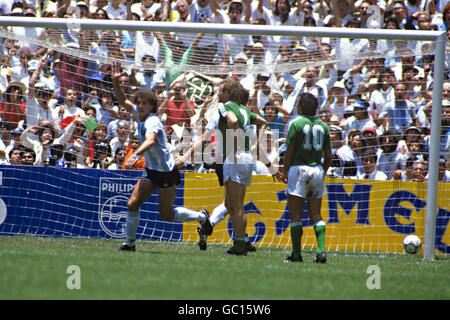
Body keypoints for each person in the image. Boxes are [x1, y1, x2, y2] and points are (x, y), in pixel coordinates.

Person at [112, 61, 213, 252]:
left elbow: (150, 141)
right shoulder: (139, 114)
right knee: (132, 203)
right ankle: (129, 244)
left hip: (167, 172)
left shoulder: (153, 121)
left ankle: (201, 217)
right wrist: (116, 83)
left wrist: (135, 154)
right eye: (138, 103)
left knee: (166, 215)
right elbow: (123, 101)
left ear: (152, 107)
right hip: (152, 171)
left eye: (144, 103)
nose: (139, 106)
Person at [281, 92, 332, 263]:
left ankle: (296, 255)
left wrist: (285, 170)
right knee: (316, 214)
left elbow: (289, 151)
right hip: (317, 169)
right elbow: (329, 155)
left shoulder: (296, 124)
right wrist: (322, 170)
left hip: (298, 170)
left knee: (296, 216)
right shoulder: (324, 126)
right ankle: (321, 250)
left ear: (300, 106)